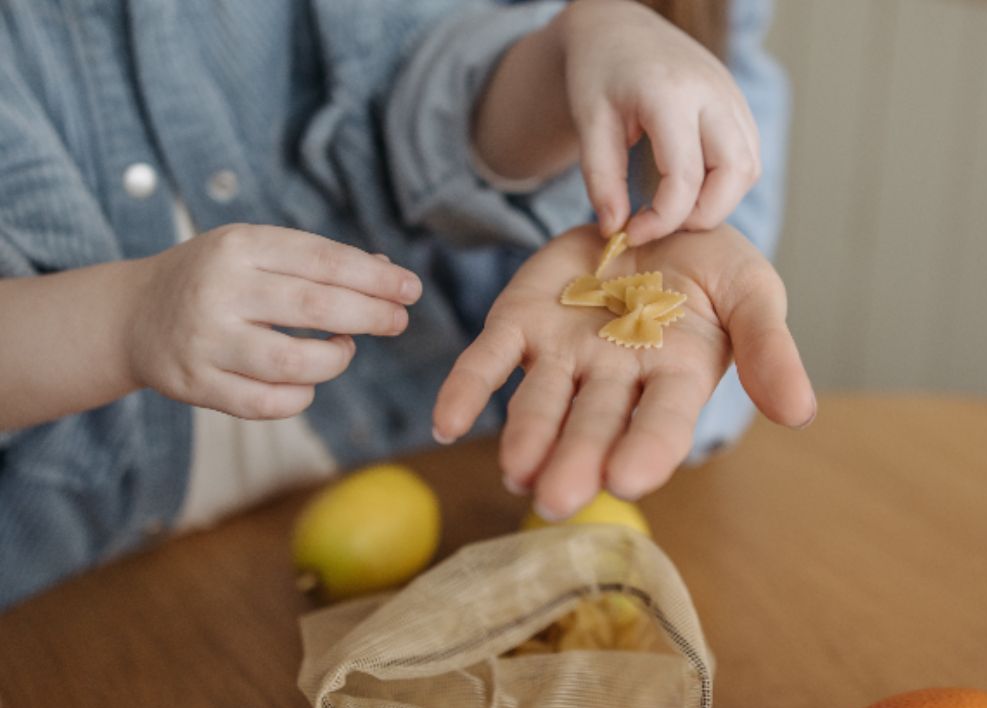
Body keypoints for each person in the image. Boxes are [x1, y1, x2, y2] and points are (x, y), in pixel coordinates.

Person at [0, 0, 814, 609]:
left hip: (404, 481)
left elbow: (412, 100)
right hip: (68, 583)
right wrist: (121, 321)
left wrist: (575, 42)